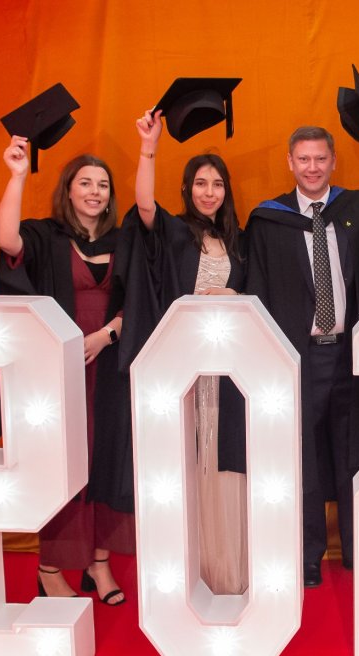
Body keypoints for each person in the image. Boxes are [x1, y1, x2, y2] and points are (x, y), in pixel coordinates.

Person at [243, 126, 359, 588]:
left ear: (333, 161)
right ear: (290, 163)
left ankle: (358, 547)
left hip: (352, 353)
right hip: (298, 357)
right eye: (303, 160)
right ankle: (309, 553)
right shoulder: (269, 220)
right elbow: (258, 289)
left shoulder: (358, 207)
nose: (312, 168)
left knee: (356, 450)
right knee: (304, 458)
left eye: (320, 159)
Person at [0, 136, 131, 606]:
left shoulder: (124, 240)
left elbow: (143, 300)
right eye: (85, 183)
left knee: (109, 461)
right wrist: (16, 174)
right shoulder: (44, 235)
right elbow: (5, 240)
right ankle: (50, 569)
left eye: (104, 185)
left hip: (111, 365)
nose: (95, 191)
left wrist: (108, 333)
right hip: (60, 369)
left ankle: (99, 563)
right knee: (65, 465)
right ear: (68, 190)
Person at [123, 109, 249, 594]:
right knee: (188, 463)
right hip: (185, 370)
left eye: (217, 184)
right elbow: (144, 207)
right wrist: (148, 149)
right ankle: (190, 569)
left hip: (230, 371)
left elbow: (254, 296)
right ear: (188, 189)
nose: (209, 192)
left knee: (225, 462)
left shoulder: (238, 242)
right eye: (200, 183)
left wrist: (233, 297)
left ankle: (226, 567)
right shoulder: (176, 233)